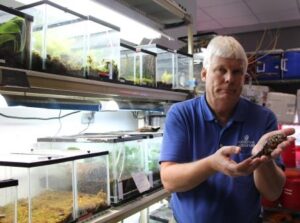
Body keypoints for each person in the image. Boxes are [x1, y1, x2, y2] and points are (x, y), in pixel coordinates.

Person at [159, 35, 295, 223]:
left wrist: (263, 160)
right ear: (205, 74)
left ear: (244, 78)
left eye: (237, 72)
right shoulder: (181, 114)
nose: (229, 79)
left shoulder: (263, 119)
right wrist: (212, 164)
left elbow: (272, 193)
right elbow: (169, 180)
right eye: (221, 70)